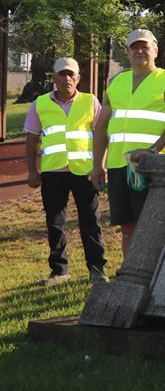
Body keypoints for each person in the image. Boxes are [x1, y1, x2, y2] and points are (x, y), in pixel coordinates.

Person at [90, 29, 165, 257]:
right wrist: (97, 165)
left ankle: (153, 276)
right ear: (128, 52)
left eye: (145, 46)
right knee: (127, 227)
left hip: (152, 166)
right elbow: (102, 127)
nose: (140, 51)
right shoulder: (116, 82)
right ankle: (130, 276)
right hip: (119, 167)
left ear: (155, 50)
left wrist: (151, 151)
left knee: (153, 226)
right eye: (134, 47)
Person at [25, 57, 107, 285]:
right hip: (52, 172)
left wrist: (101, 166)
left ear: (78, 78)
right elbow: (31, 140)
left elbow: (101, 136)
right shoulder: (40, 104)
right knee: (55, 222)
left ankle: (97, 270)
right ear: (54, 78)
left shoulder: (90, 102)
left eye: (71, 74)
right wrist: (32, 170)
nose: (67, 78)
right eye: (62, 74)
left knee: (91, 220)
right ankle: (60, 272)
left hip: (85, 171)